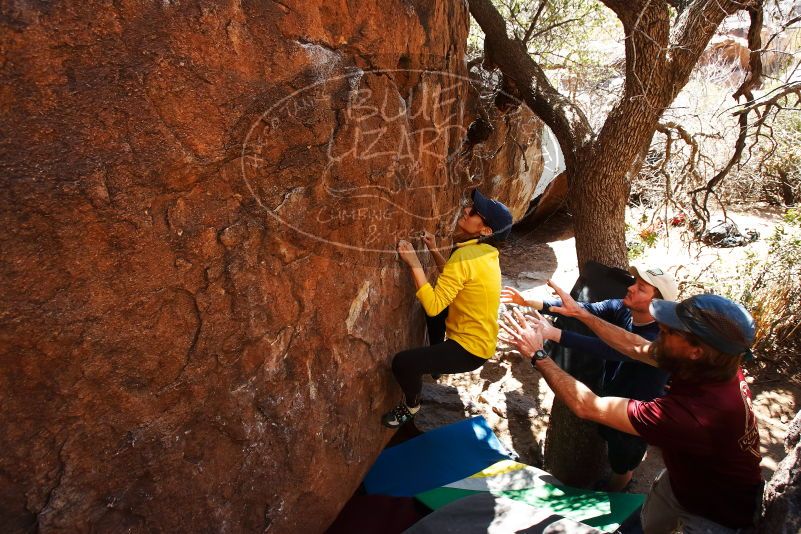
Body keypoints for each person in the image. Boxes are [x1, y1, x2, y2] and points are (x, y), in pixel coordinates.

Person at [500, 281, 762, 532]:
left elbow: (588, 406)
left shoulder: (691, 415)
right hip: (681, 483)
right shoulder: (713, 365)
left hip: (715, 514)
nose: (660, 331)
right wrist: (581, 313)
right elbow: (635, 346)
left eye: (670, 332)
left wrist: (538, 354)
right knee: (646, 524)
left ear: (695, 351)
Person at [501, 266, 679, 491]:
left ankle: (617, 490)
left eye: (641, 288)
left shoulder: (658, 338)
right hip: (614, 395)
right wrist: (530, 301)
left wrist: (553, 333)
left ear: (657, 303)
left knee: (622, 457)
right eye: (634, 282)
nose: (631, 288)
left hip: (636, 410)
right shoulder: (625, 310)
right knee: (610, 439)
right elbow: (583, 309)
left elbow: (610, 349)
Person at [381, 189, 513, 428]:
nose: (465, 210)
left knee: (403, 363)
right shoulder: (485, 253)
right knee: (440, 301)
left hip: (469, 351)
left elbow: (432, 306)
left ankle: (411, 405)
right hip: (482, 339)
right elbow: (455, 281)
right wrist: (432, 250)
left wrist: (414, 262)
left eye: (474, 212)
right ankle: (436, 361)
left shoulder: (467, 254)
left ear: (486, 230)